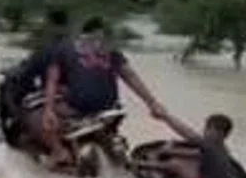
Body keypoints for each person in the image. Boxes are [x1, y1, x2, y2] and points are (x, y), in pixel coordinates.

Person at [36, 16, 168, 167]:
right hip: (110, 107)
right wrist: (152, 103)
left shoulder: (62, 49)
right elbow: (130, 77)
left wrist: (48, 109)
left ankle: (58, 152)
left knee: (41, 119)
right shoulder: (112, 52)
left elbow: (51, 81)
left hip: (79, 105)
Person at [0, 8, 71, 149]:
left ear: (51, 26)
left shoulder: (48, 50)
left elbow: (27, 73)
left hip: (55, 94)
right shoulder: (76, 46)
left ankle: (12, 138)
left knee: (6, 90)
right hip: (76, 95)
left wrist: (13, 73)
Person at [145, 110, 245, 178]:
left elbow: (186, 132)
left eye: (209, 129)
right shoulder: (222, 148)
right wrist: (169, 151)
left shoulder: (209, 145)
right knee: (191, 161)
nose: (205, 131)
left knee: (176, 164)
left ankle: (144, 164)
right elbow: (197, 153)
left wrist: (165, 117)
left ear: (220, 133)